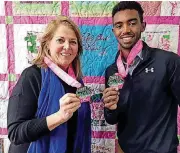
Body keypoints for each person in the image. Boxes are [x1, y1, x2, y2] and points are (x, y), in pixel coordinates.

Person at [103, 1, 180, 153]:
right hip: (125, 150)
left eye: (132, 23)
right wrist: (110, 109)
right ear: (113, 31)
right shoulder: (111, 71)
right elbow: (111, 119)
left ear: (143, 26)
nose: (125, 30)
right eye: (119, 25)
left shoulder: (168, 61)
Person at [7, 15, 91, 153]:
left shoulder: (77, 83)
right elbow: (15, 133)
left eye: (73, 42)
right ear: (47, 44)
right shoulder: (32, 76)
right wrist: (59, 116)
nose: (67, 46)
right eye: (60, 40)